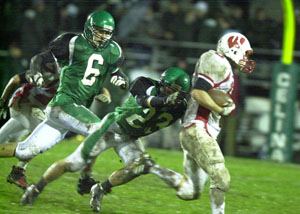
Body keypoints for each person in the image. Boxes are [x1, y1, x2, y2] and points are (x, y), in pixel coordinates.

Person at [20, 67, 193, 211]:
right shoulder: (145, 83)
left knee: (136, 168)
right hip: (111, 128)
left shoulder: (181, 107)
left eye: (174, 92)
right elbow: (142, 100)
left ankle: (100, 188)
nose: (169, 92)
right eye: (169, 88)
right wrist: (165, 100)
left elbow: (194, 117)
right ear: (163, 83)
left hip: (130, 137)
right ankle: (36, 188)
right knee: (74, 163)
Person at [0, 10, 128, 190]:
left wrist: (121, 80)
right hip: (65, 103)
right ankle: (88, 178)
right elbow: (40, 59)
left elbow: (117, 73)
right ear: (89, 28)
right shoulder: (72, 42)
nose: (102, 36)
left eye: (107, 32)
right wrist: (36, 73)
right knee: (102, 131)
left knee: (26, 150)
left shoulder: (114, 50)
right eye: (99, 31)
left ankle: (82, 178)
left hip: (67, 109)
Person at [174, 32, 255, 214]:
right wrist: (220, 109)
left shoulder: (222, 65)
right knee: (222, 178)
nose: (245, 59)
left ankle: (154, 169)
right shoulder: (218, 62)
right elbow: (198, 92)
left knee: (190, 192)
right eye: (244, 54)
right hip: (197, 128)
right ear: (233, 50)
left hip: (203, 129)